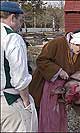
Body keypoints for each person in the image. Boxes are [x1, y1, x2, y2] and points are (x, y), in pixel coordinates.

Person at [28, 31, 80, 132]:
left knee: (58, 113)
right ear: (73, 42)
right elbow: (41, 60)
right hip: (44, 84)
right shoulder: (56, 44)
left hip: (61, 88)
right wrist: (58, 71)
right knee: (42, 112)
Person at [1, 1, 37, 132]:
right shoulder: (12, 38)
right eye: (20, 21)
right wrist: (26, 102)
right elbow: (20, 77)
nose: (20, 25)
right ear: (12, 18)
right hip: (9, 101)